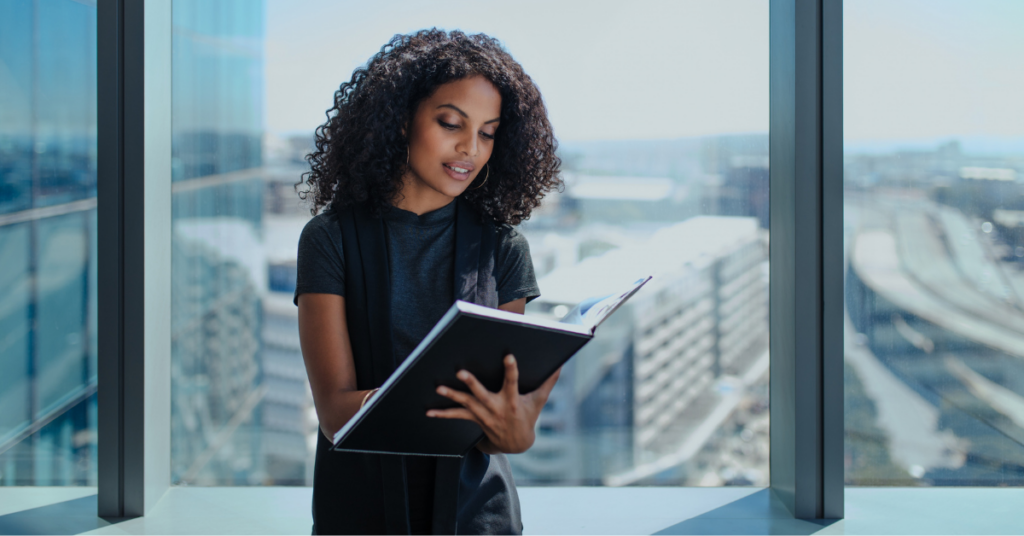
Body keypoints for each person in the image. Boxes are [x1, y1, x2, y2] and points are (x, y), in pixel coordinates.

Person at [293, 29, 563, 535]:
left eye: (488, 132)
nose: (470, 148)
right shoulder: (329, 239)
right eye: (450, 123)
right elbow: (336, 414)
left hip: (480, 520)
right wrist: (472, 412)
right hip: (359, 518)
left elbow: (495, 426)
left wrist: (514, 431)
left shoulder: (504, 250)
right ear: (400, 121)